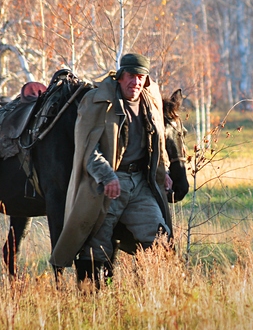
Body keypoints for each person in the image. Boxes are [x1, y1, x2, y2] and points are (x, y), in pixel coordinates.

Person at [50, 53, 172, 284]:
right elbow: (87, 149)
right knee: (96, 245)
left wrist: (163, 171)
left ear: (145, 80)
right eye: (129, 76)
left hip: (142, 184)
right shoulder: (98, 101)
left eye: (139, 77)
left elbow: (159, 141)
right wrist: (107, 176)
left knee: (159, 237)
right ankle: (91, 300)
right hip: (107, 185)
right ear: (119, 77)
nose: (134, 82)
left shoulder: (150, 100)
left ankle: (154, 293)